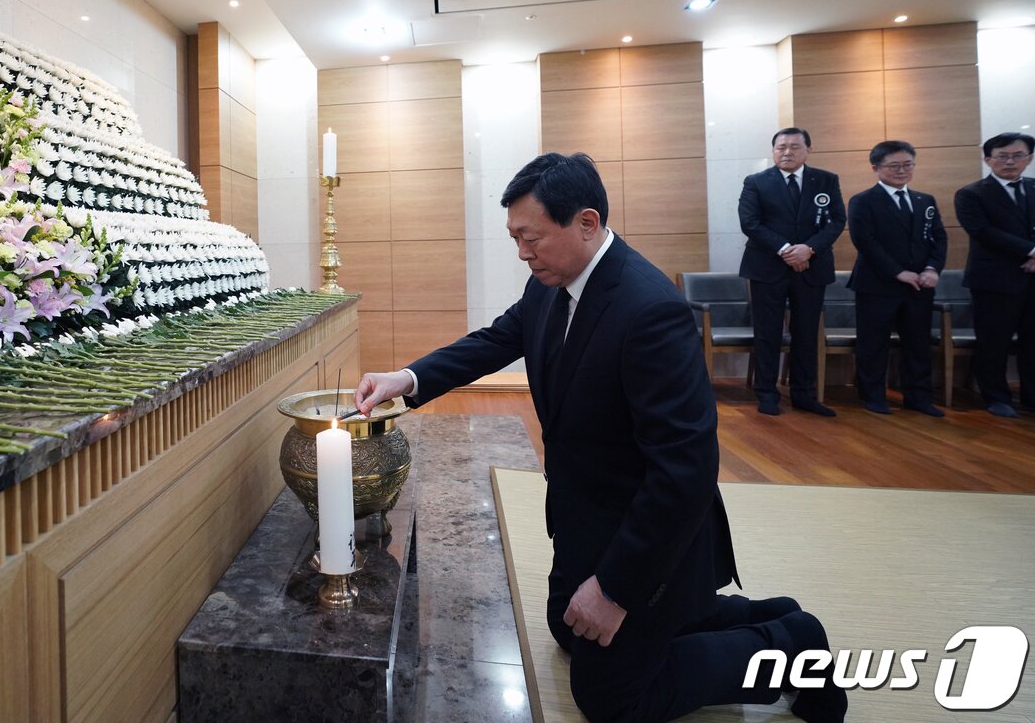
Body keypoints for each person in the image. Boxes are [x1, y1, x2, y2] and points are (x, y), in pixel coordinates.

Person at [355, 153, 844, 723]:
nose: (522, 252)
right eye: (515, 238)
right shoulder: (552, 280)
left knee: (611, 697)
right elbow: (496, 339)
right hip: (587, 512)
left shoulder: (650, 310)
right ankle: (755, 614)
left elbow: (683, 475)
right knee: (570, 628)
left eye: (530, 237)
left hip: (651, 531)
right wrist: (407, 378)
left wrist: (614, 590)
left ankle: (791, 646)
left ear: (586, 223)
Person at [738, 128, 846, 417]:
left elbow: (836, 221)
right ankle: (766, 393)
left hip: (812, 266)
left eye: (794, 147)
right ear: (773, 151)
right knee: (767, 333)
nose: (787, 152)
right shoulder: (757, 182)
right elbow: (750, 222)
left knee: (806, 332)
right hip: (767, 267)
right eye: (781, 147)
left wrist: (808, 249)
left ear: (808, 150)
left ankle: (804, 394)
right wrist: (787, 250)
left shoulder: (825, 180)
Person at [846, 141, 947, 417]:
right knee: (873, 343)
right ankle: (873, 396)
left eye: (907, 164)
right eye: (894, 166)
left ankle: (918, 397)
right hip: (877, 285)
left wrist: (932, 269)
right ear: (876, 168)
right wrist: (897, 272)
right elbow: (865, 241)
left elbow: (938, 238)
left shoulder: (924, 200)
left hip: (919, 285)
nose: (902, 170)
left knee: (917, 344)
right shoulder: (862, 201)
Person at [953, 132, 1035, 418]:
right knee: (993, 342)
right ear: (988, 160)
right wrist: (1032, 252)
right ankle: (996, 397)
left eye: (1017, 155)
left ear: (1029, 158)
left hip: (1032, 280)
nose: (1010, 162)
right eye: (1002, 156)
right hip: (994, 281)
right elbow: (983, 232)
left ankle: (1031, 397)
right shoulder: (971, 193)